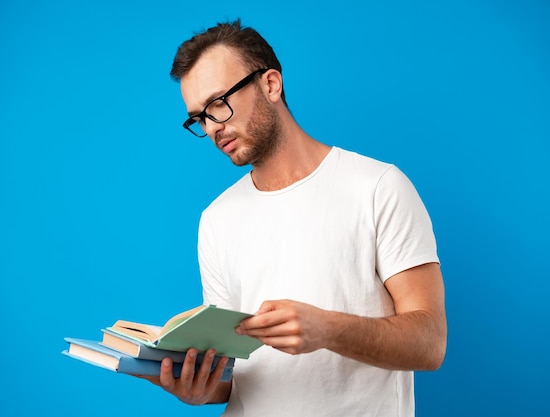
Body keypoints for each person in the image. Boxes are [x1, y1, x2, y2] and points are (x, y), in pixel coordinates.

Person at [145, 19, 447, 416]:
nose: (213, 128)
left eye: (219, 103)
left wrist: (328, 329)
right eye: (199, 117)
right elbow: (233, 375)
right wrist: (199, 389)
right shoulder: (216, 219)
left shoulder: (378, 187)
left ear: (270, 84)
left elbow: (429, 344)